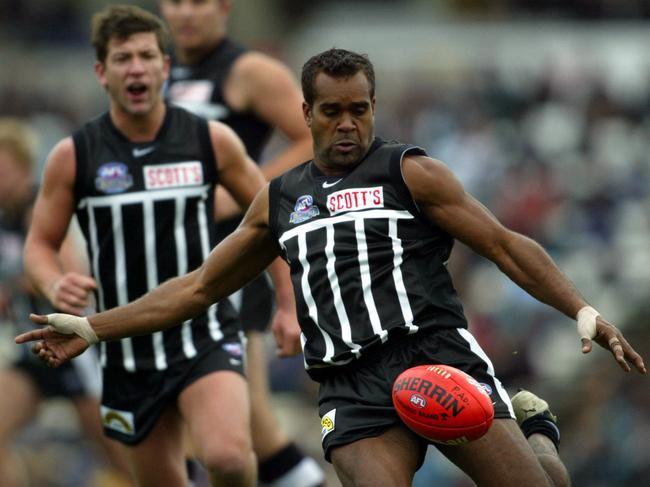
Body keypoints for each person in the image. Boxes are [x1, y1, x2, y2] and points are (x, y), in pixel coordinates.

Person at [18, 48, 646, 487]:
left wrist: (582, 309)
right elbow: (199, 287)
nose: (348, 124)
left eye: (360, 110)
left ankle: (538, 429)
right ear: (306, 113)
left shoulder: (411, 173)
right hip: (351, 389)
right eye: (332, 112)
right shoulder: (279, 198)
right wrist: (94, 328)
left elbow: (506, 244)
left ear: (373, 108)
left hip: (436, 358)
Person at [20, 6, 300, 487]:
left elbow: (269, 222)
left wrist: (288, 306)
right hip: (122, 342)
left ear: (165, 68)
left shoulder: (210, 140)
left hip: (205, 330)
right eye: (123, 57)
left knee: (229, 457)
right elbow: (40, 245)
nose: (137, 67)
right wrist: (54, 280)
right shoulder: (75, 155)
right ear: (102, 73)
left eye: (148, 55)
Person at [159, 2, 324, 485]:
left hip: (230, 254)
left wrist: (242, 190)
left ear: (224, 7)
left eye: (199, 1)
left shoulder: (247, 70)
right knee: (250, 421)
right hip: (175, 253)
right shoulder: (162, 70)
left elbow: (312, 138)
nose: (186, 13)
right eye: (175, 1)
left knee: (213, 417)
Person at [0, 118, 130, 486]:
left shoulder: (38, 209)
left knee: (120, 455)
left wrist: (32, 281)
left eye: (3, 168)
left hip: (75, 349)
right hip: (35, 350)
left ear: (24, 168)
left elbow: (71, 276)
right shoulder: (4, 220)